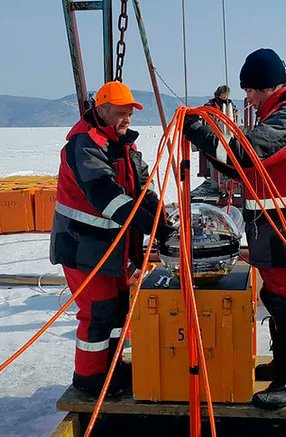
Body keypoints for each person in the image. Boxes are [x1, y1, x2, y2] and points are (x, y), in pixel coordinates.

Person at [183, 48, 286, 409]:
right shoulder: (282, 111)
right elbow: (240, 167)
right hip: (271, 227)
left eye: (250, 91)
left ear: (266, 86)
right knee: (275, 299)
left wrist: (201, 132)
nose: (247, 98)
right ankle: (284, 367)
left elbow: (247, 153)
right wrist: (210, 137)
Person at [50, 80, 176, 397]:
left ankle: (112, 369)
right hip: (84, 248)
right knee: (98, 314)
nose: (126, 120)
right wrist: (152, 227)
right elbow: (108, 198)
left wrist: (161, 218)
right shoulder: (83, 147)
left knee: (118, 311)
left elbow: (143, 188)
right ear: (102, 110)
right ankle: (90, 378)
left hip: (113, 251)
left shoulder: (125, 146)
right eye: (120, 113)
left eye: (130, 114)